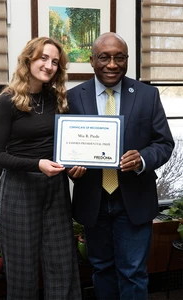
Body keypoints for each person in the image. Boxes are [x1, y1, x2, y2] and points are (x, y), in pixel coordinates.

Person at [67, 32, 175, 300]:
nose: (112, 64)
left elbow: (164, 144)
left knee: (133, 273)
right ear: (92, 61)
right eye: (104, 57)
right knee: (101, 269)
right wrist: (70, 165)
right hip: (93, 201)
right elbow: (65, 144)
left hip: (134, 201)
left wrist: (142, 159)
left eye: (119, 57)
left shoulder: (147, 95)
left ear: (127, 60)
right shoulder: (71, 97)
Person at [0, 37, 82, 300]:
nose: (49, 65)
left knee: (62, 265)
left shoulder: (58, 98)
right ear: (29, 59)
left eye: (54, 61)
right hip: (19, 190)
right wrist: (36, 164)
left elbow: (70, 142)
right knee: (22, 271)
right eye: (43, 58)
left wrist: (77, 161)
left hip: (55, 189)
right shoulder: (7, 100)